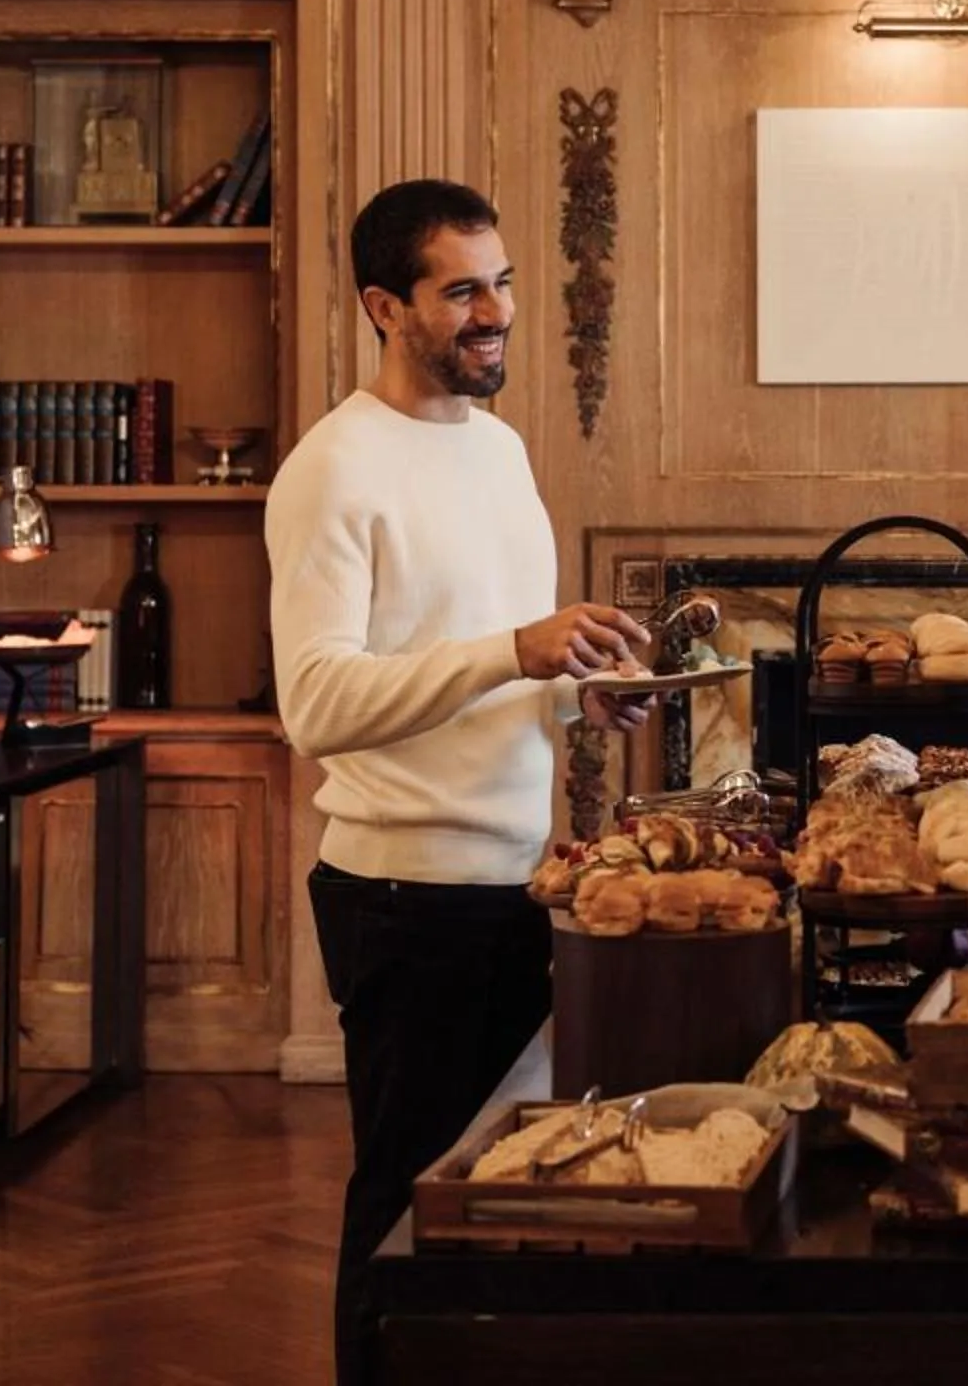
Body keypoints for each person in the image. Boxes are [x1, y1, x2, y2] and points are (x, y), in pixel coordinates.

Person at [267, 177, 654, 1386]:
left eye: (504, 285)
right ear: (386, 305)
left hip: (512, 881)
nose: (495, 313)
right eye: (462, 290)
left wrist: (573, 688)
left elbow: (488, 656)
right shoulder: (331, 471)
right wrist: (515, 651)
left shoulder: (502, 450)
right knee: (406, 1199)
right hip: (402, 894)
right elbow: (315, 704)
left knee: (500, 1189)